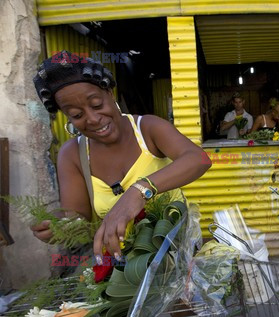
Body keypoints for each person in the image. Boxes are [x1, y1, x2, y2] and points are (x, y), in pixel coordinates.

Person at [30, 50, 211, 265]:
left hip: (178, 258)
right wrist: (60, 226)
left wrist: (138, 191)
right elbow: (79, 218)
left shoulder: (148, 129)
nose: (94, 118)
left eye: (97, 104)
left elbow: (199, 159)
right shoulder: (72, 154)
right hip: (122, 271)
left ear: (109, 93)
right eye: (77, 115)